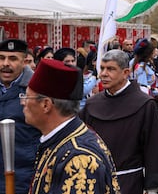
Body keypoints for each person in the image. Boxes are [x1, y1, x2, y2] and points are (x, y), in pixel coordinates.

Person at [22, 59, 120, 193]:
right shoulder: (60, 138)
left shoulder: (79, 158)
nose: (23, 102)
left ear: (46, 105)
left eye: (27, 97)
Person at [79, 49, 158, 194]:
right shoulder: (92, 104)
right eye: (102, 68)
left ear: (125, 73)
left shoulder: (144, 104)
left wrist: (153, 186)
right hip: (96, 181)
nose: (103, 74)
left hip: (129, 182)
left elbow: (154, 148)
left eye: (111, 69)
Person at [0, 39, 41, 194]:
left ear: (24, 62)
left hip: (23, 178)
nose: (5, 63)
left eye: (12, 59)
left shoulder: (36, 91)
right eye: (1, 58)